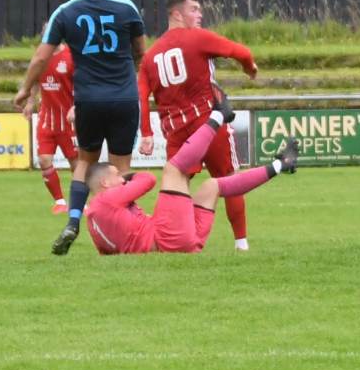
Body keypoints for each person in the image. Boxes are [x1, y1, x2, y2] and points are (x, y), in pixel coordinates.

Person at [14, 0, 146, 255]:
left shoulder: (65, 12)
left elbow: (41, 57)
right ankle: (128, 226)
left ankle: (73, 221)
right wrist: (129, 75)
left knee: (84, 162)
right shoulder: (126, 7)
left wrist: (25, 89)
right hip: (123, 98)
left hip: (88, 99)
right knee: (121, 167)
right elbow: (141, 52)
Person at [85, 92, 299, 255]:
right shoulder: (107, 198)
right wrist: (129, 176)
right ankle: (218, 115)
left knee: (212, 186)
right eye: (116, 175)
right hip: (166, 239)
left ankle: (281, 164)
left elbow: (107, 252)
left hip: (179, 242)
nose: (121, 178)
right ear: (105, 182)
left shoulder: (92, 221)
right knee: (172, 170)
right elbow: (148, 180)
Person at [137, 0, 258, 250]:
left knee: (175, 186)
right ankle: (241, 243)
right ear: (176, 14)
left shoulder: (150, 56)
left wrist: (146, 132)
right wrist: (250, 67)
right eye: (194, 9)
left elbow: (142, 96)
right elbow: (241, 51)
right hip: (208, 122)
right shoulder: (197, 38)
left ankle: (163, 241)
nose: (200, 14)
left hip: (176, 131)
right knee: (228, 179)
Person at [22, 40, 77, 214]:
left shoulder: (71, 56)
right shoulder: (41, 56)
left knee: (77, 164)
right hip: (47, 120)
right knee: (44, 160)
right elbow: (35, 80)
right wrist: (30, 102)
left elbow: (83, 83)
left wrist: (77, 107)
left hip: (68, 121)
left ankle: (79, 202)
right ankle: (60, 201)